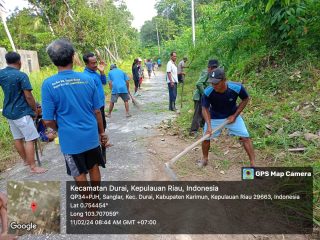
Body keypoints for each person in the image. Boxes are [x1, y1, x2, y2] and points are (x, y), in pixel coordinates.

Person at [41, 39, 108, 184]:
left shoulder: (48, 84)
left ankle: (89, 207)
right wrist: (102, 132)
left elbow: (47, 120)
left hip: (69, 140)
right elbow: (97, 111)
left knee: (79, 175)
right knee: (94, 168)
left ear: (53, 60)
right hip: (90, 135)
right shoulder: (87, 79)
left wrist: (60, 129)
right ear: (72, 56)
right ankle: (95, 206)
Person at [0, 52, 47, 174]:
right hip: (22, 112)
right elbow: (28, 96)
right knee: (30, 138)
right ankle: (33, 166)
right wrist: (35, 110)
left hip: (9, 111)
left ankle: (26, 160)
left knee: (17, 138)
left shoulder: (1, 74)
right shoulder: (21, 75)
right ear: (19, 62)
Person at [199, 67, 255, 167]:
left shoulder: (237, 87)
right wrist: (209, 125)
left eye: (216, 83)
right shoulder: (208, 92)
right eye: (212, 83)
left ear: (224, 80)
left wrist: (235, 115)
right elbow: (205, 109)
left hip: (232, 116)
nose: (213, 85)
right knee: (206, 138)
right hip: (214, 117)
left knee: (245, 136)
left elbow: (245, 99)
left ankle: (253, 164)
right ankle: (205, 158)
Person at [83, 52, 107, 162]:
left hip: (101, 104)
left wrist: (102, 72)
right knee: (97, 125)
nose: (95, 65)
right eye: (92, 63)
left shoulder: (95, 73)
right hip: (94, 106)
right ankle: (98, 147)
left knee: (103, 124)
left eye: (95, 62)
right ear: (86, 64)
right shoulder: (86, 76)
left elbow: (104, 82)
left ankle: (102, 143)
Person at [190, 59, 219, 134]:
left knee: (205, 112)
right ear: (209, 67)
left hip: (204, 97)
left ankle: (203, 127)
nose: (214, 69)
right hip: (199, 97)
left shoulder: (213, 74)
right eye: (213, 68)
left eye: (215, 68)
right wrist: (204, 94)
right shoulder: (206, 73)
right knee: (198, 114)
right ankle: (193, 131)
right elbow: (199, 83)